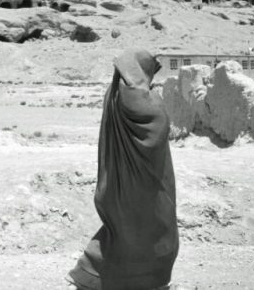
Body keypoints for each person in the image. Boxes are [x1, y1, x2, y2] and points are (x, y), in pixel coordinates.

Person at [67, 49, 179, 290]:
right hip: (145, 183)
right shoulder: (137, 96)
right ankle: (145, 279)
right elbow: (156, 123)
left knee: (122, 230)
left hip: (118, 181)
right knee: (151, 230)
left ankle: (92, 274)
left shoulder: (115, 91)